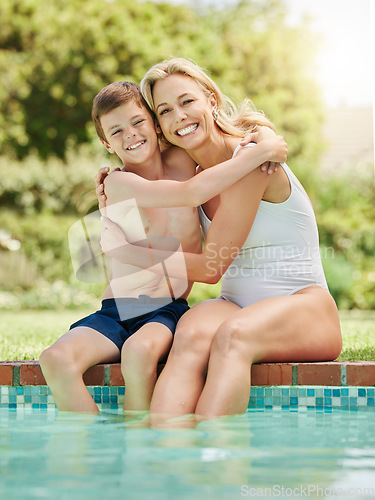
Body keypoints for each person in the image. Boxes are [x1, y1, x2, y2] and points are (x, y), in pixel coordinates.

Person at [97, 58, 342, 423]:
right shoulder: (187, 175)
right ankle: (160, 457)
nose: (179, 116)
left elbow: (211, 268)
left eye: (187, 101)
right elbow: (146, 173)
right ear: (159, 125)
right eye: (165, 110)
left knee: (232, 337)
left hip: (303, 304)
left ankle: (219, 471)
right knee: (191, 334)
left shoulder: (252, 159)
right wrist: (112, 187)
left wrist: (132, 253)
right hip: (234, 303)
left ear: (211, 100)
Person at [39, 80, 287, 414]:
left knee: (139, 352)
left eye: (137, 122)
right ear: (105, 143)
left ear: (156, 125)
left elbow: (224, 139)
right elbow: (190, 194)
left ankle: (140, 447)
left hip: (165, 309)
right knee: (54, 359)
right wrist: (260, 154)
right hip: (117, 309)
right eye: (116, 131)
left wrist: (266, 139)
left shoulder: (185, 159)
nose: (130, 135)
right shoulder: (117, 182)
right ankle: (92, 454)